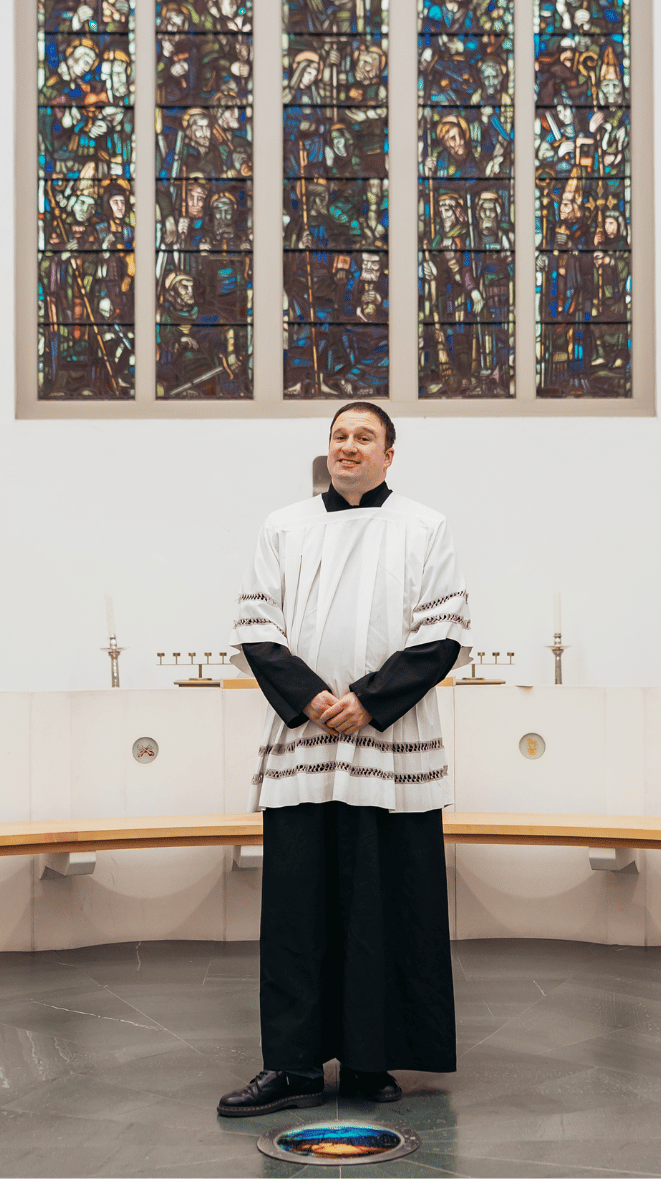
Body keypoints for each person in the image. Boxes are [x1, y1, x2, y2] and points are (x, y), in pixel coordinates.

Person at [218, 403, 472, 1117]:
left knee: (381, 906)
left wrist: (367, 701)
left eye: (365, 437)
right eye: (339, 436)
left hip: (387, 744)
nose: (348, 446)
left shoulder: (425, 526)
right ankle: (292, 1066)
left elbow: (443, 633)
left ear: (390, 455)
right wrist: (310, 698)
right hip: (305, 740)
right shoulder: (284, 526)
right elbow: (256, 625)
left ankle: (368, 1060)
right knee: (296, 909)